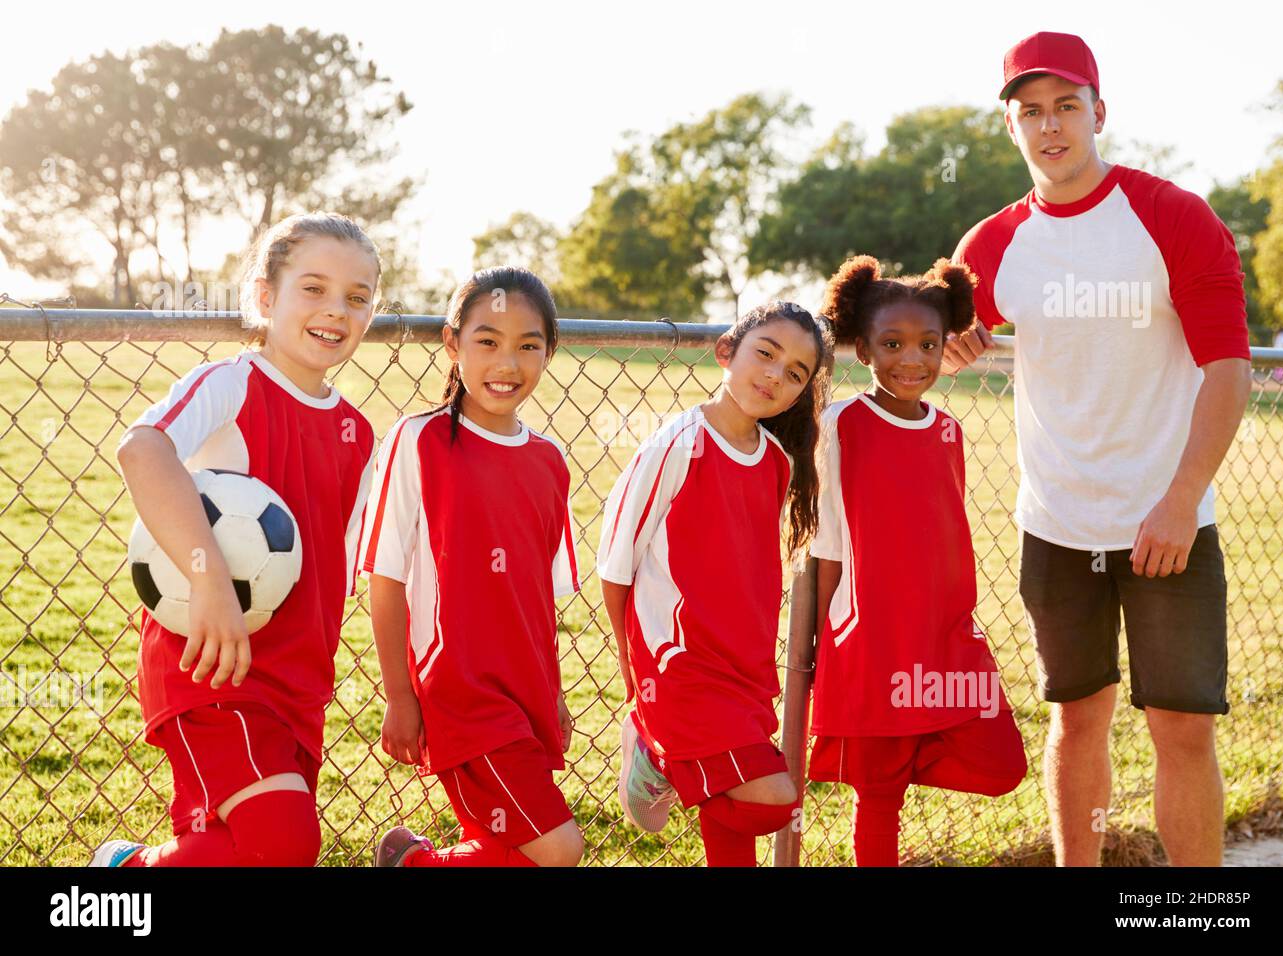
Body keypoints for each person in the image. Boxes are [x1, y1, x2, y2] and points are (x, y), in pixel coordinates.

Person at [946, 31, 1252, 866]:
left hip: (1169, 518)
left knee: (1181, 729)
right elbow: (926, 345)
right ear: (1011, 128)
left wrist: (1182, 498)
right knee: (1078, 717)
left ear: (1098, 113)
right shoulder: (991, 246)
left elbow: (1229, 371)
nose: (1051, 127)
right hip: (1056, 524)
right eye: (1031, 112)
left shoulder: (1171, 216)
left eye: (1067, 107)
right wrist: (950, 346)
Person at [93, 213, 381, 867]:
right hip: (211, 664)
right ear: (264, 297)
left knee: (237, 846)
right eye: (313, 288)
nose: (335, 310)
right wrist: (207, 576)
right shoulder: (232, 385)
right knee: (285, 840)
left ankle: (128, 868)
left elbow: (350, 560)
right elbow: (142, 449)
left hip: (297, 682)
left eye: (357, 298)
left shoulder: (357, 433)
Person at [809, 255, 1027, 866]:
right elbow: (825, 539)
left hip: (944, 638)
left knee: (1001, 762)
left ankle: (899, 754)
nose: (913, 359)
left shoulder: (949, 429)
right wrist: (818, 641)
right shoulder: (842, 422)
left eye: (929, 344)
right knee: (880, 800)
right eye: (893, 343)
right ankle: (880, 765)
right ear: (863, 348)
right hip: (873, 639)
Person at [598, 301, 832, 867]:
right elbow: (615, 562)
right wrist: (637, 679)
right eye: (767, 354)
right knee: (774, 799)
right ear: (727, 351)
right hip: (678, 667)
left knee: (734, 815)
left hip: (742, 669)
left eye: (796, 372)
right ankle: (656, 753)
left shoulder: (776, 461)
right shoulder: (677, 444)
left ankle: (674, 765)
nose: (777, 375)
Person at [368, 267, 584, 868]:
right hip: (461, 693)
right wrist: (399, 695)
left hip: (527, 692)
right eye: (487, 341)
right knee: (557, 850)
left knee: (503, 843)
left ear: (549, 352)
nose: (506, 363)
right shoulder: (421, 441)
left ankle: (412, 861)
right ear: (452, 344)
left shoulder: (549, 459)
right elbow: (385, 580)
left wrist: (556, 695)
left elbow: (539, 598)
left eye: (527, 345)